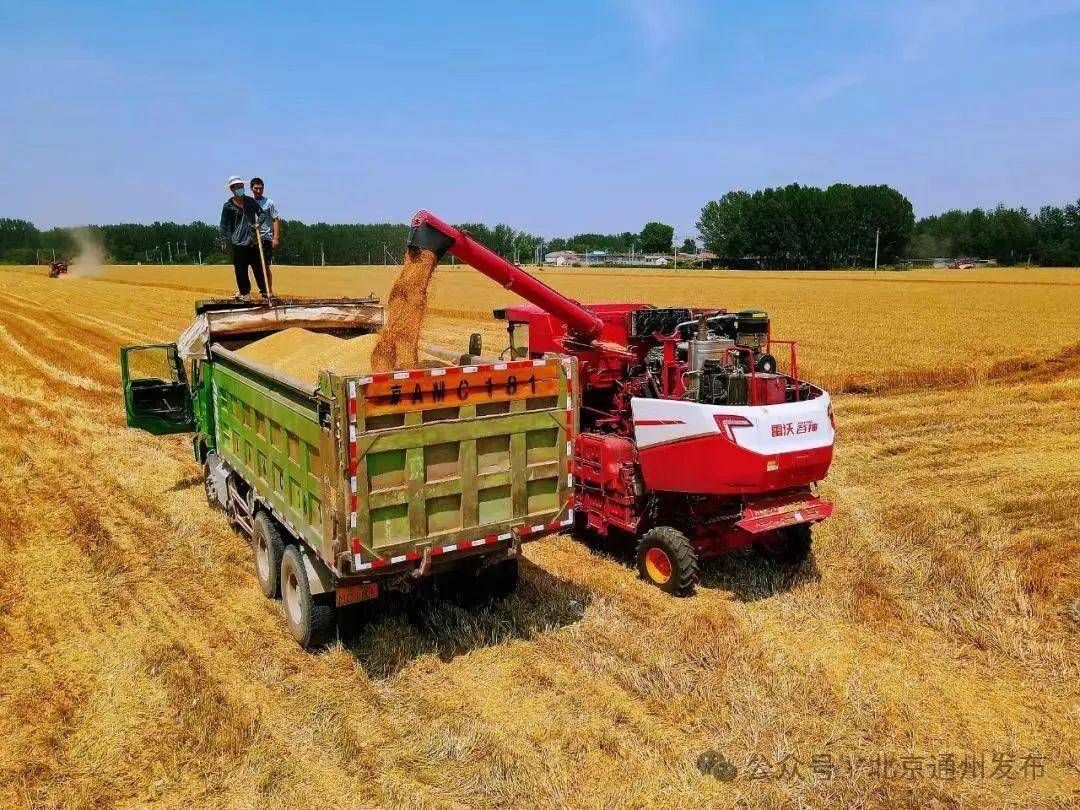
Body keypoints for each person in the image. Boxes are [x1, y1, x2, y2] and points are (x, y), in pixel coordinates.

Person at [218, 175, 267, 298]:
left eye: (241, 186)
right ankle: (245, 294)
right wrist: (223, 239)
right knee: (241, 270)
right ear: (232, 189)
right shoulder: (228, 206)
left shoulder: (250, 201)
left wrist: (257, 223)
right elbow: (223, 224)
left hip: (253, 241)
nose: (240, 188)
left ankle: (264, 291)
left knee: (259, 268)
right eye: (237, 187)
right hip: (238, 242)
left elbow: (262, 213)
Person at [250, 177, 281, 264]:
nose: (258, 191)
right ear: (251, 188)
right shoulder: (248, 202)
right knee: (256, 267)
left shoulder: (269, 203)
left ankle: (268, 278)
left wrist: (275, 237)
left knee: (265, 266)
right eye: (256, 188)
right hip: (252, 240)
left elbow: (275, 219)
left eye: (260, 188)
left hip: (266, 238)